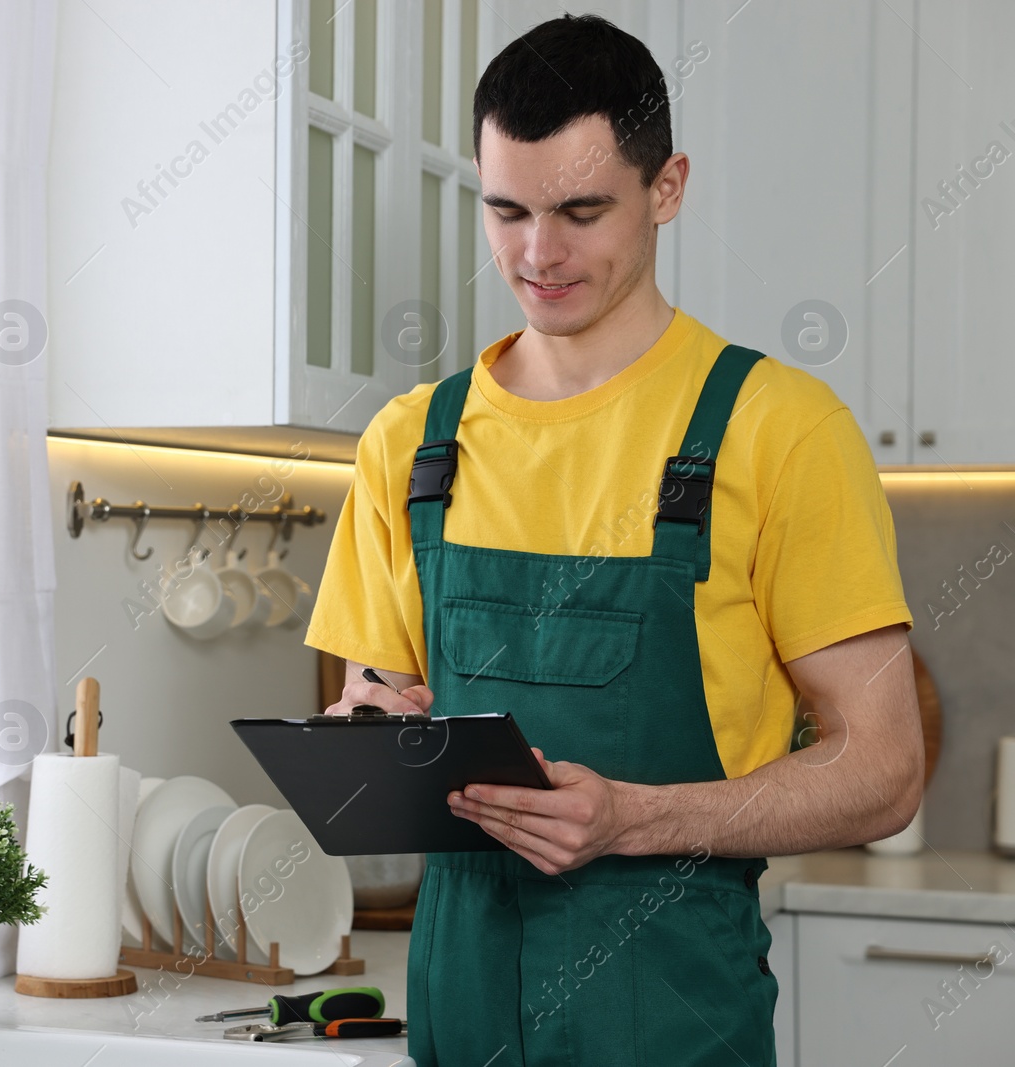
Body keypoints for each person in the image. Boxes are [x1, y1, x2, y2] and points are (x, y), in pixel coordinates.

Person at [303, 13, 922, 1067]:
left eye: (581, 211)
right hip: (457, 1022)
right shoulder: (411, 445)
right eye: (504, 209)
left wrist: (633, 816)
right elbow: (372, 699)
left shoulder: (778, 430)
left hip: (675, 1019)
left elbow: (886, 769)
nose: (537, 253)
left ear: (666, 188)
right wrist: (368, 730)